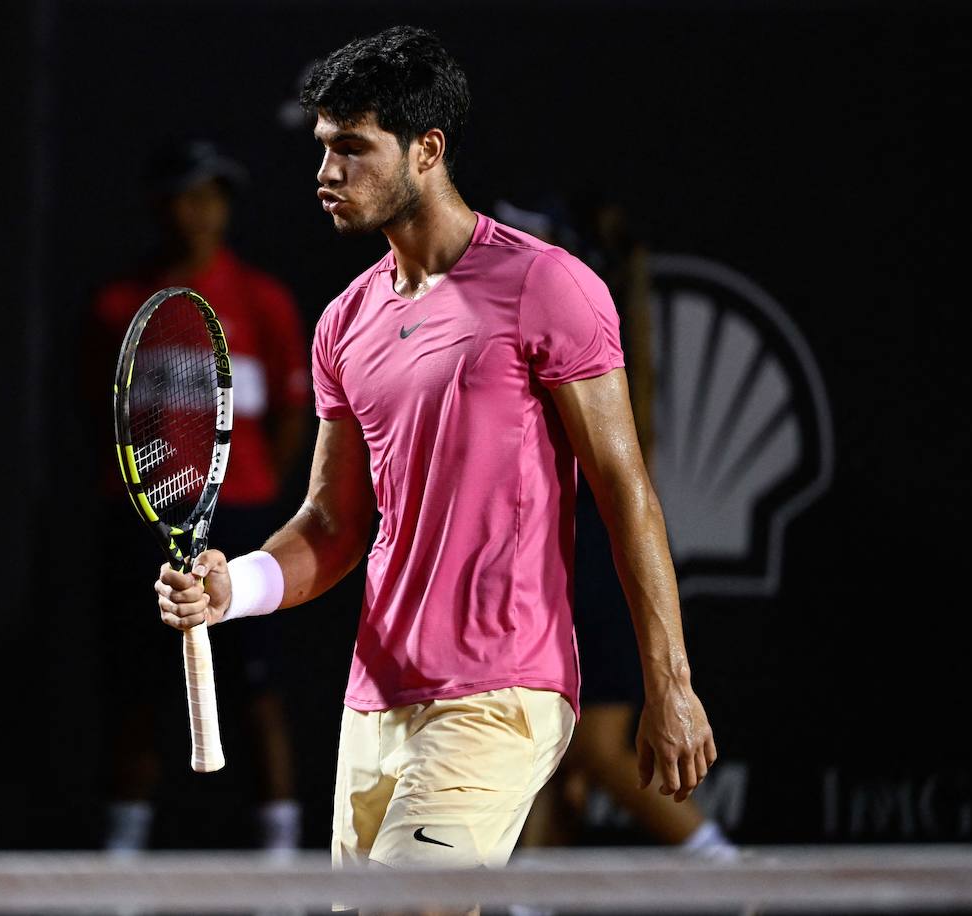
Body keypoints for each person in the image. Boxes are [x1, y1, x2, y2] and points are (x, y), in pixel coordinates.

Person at [154, 26, 716, 875]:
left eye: (352, 149)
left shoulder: (547, 286)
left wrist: (668, 684)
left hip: (500, 695)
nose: (326, 174)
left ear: (428, 150)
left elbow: (624, 489)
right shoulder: (344, 322)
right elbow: (333, 524)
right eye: (321, 149)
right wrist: (236, 586)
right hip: (373, 707)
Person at [498, 195, 736, 860]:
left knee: (592, 746)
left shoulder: (561, 340)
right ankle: (524, 905)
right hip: (548, 559)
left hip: (588, 560)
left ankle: (730, 875)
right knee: (542, 748)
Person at [94, 139, 310, 852]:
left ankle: (279, 866)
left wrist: (251, 490)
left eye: (216, 197)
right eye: (190, 195)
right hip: (145, 528)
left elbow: (290, 412)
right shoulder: (115, 306)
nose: (204, 212)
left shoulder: (265, 302)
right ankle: (121, 865)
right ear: (162, 206)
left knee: (259, 694)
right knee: (138, 694)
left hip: (240, 520)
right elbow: (95, 414)